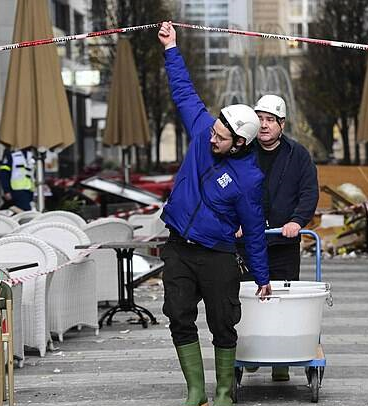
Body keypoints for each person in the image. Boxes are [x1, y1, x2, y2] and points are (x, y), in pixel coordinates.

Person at [158, 21, 271, 406]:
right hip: (179, 247)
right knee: (178, 315)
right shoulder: (205, 127)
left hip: (218, 254)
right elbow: (184, 91)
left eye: (221, 138)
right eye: (214, 131)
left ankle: (223, 392)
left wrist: (262, 275)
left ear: (240, 143)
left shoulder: (249, 178)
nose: (211, 138)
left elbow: (254, 229)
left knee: (223, 323)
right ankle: (195, 391)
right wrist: (171, 48)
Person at [238, 94, 319, 381]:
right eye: (259, 119)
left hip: (283, 243)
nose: (263, 125)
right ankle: (250, 350)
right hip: (248, 241)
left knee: (283, 298)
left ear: (281, 124)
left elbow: (309, 193)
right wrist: (235, 222)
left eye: (270, 120)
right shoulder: (243, 152)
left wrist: (297, 221)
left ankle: (282, 361)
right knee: (248, 297)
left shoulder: (298, 155)